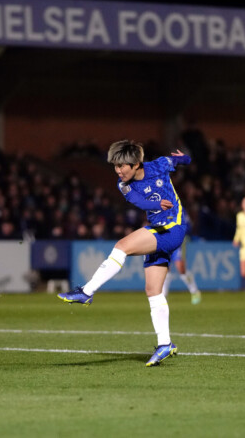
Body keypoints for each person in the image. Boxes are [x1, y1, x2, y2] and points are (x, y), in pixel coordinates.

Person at [58, 139, 191, 367]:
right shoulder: (124, 185)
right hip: (158, 229)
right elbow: (140, 202)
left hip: (173, 227)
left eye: (122, 166)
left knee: (122, 246)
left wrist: (183, 157)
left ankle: (87, 291)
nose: (118, 171)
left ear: (136, 164)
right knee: (153, 291)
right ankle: (165, 344)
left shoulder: (159, 165)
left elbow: (184, 160)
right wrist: (157, 205)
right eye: (115, 166)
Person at [162, 214, 201, 304]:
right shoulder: (160, 208)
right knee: (165, 268)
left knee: (181, 268)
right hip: (165, 241)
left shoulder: (179, 209)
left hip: (178, 241)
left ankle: (194, 291)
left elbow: (188, 225)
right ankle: (163, 295)